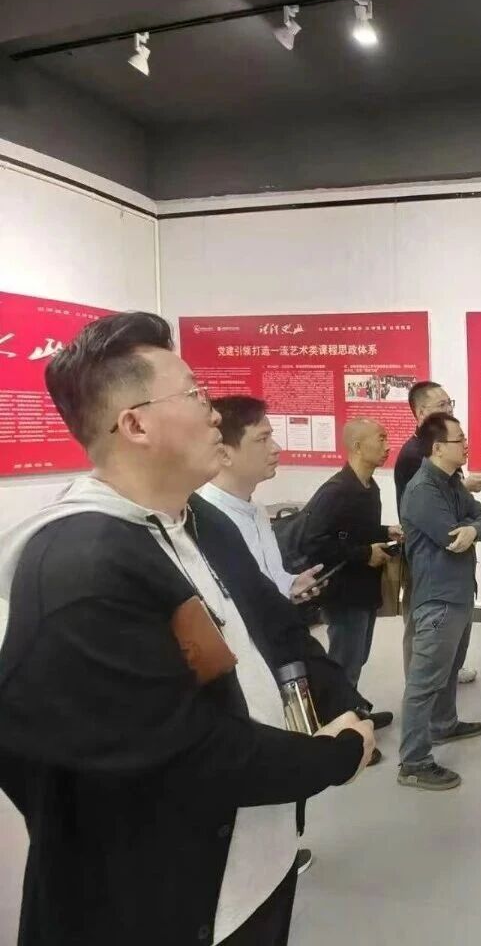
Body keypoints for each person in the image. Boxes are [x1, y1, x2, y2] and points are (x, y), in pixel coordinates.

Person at [0, 312, 375, 946]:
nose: (212, 414)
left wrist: (345, 702)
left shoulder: (198, 518)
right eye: (196, 395)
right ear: (135, 425)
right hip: (165, 903)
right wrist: (335, 756)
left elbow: (276, 624)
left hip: (258, 864)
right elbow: (189, 756)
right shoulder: (79, 567)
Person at [199, 396, 393, 756]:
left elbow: (266, 581)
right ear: (224, 452)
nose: (276, 448)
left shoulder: (255, 511)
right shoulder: (203, 520)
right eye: (262, 439)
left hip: (280, 652)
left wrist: (289, 586)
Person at [398, 413, 481, 791]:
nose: (466, 444)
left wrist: (474, 528)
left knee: (451, 667)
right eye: (460, 439)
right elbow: (452, 536)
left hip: (459, 592)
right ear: (438, 448)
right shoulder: (423, 490)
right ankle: (414, 762)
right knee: (424, 682)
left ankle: (444, 724)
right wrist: (470, 527)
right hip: (437, 599)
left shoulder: (451, 481)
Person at [393, 380, 481, 681]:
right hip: (427, 558)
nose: (449, 410)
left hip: (453, 568)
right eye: (441, 405)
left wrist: (473, 524)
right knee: (423, 628)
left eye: (450, 403)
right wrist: (471, 524)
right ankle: (419, 679)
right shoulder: (415, 457)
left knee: (453, 626)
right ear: (420, 412)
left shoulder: (446, 467)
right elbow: (440, 520)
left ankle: (447, 673)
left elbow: (479, 515)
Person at [300, 417, 401, 691]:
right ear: (357, 446)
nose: (387, 446)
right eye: (381, 438)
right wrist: (365, 553)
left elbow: (354, 531)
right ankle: (340, 713)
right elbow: (313, 543)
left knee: (358, 658)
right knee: (345, 662)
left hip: (364, 589)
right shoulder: (337, 491)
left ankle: (350, 706)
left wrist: (385, 531)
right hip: (343, 593)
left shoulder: (369, 487)